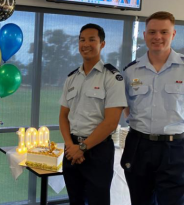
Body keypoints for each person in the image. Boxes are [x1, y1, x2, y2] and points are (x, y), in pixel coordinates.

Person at [59, 24, 127, 204]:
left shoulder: (112, 77)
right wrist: (70, 146)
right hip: (71, 149)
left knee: (98, 201)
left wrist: (82, 148)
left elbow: (111, 122)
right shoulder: (71, 78)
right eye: (82, 40)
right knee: (75, 200)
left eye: (91, 40)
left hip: (98, 151)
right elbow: (63, 116)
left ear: (102, 44)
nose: (85, 44)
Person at [121, 11, 184, 205]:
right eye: (152, 32)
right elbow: (125, 107)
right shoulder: (131, 71)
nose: (158, 37)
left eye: (164, 32)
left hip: (175, 148)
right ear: (144, 35)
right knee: (139, 200)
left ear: (173, 34)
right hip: (139, 146)